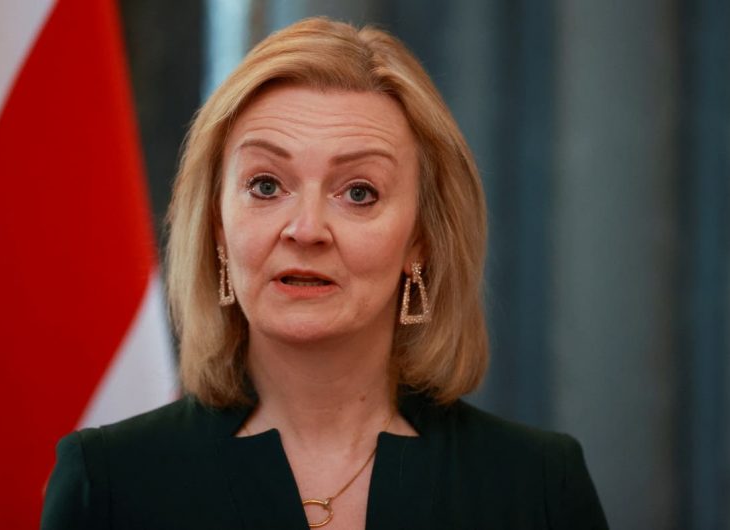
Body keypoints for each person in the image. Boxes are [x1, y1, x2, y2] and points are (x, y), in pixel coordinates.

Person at [42, 17, 608, 530]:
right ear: (217, 228)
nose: (306, 229)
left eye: (358, 192)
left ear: (421, 240)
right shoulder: (107, 484)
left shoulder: (539, 488)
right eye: (266, 185)